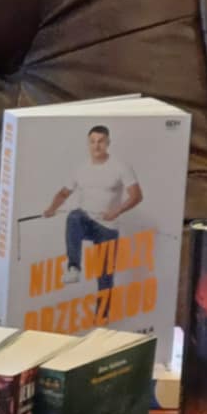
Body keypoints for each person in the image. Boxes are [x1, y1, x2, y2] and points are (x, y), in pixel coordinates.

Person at [42, 125, 142, 293]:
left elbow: (136, 196)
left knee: (105, 278)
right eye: (92, 141)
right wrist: (51, 209)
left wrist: (115, 212)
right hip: (86, 222)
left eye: (101, 141)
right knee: (74, 216)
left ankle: (103, 310)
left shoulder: (121, 167)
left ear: (108, 143)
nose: (96, 146)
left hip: (108, 227)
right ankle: (74, 268)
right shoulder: (80, 168)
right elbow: (64, 193)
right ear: (88, 143)